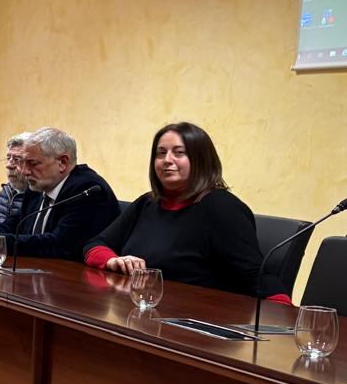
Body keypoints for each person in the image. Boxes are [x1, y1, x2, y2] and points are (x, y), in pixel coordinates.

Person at [84, 121, 279, 297]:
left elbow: (255, 277)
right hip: (140, 312)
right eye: (161, 153)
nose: (167, 160)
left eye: (179, 153)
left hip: (194, 322)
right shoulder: (148, 203)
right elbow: (95, 244)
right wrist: (112, 261)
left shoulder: (223, 208)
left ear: (201, 159)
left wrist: (283, 312)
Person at [0, 127, 118, 261]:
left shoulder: (87, 189)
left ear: (62, 162)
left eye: (32, 163)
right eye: (22, 163)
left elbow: (60, 244)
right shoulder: (39, 185)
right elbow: (13, 225)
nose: (24, 171)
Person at [0, 133, 31, 225]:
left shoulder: (42, 195)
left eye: (17, 159)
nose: (8, 165)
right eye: (8, 158)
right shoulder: (7, 191)